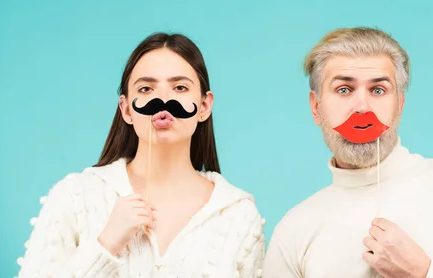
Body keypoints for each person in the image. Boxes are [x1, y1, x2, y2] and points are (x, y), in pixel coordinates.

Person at [262, 27, 433, 278]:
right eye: (343, 89)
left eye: (378, 90)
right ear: (316, 107)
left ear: (399, 106)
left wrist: (423, 273)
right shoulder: (293, 230)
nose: (362, 108)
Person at [16, 33, 266, 277]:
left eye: (180, 87)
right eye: (146, 89)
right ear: (126, 109)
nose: (163, 99)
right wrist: (105, 245)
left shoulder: (238, 215)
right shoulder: (75, 197)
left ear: (204, 106)